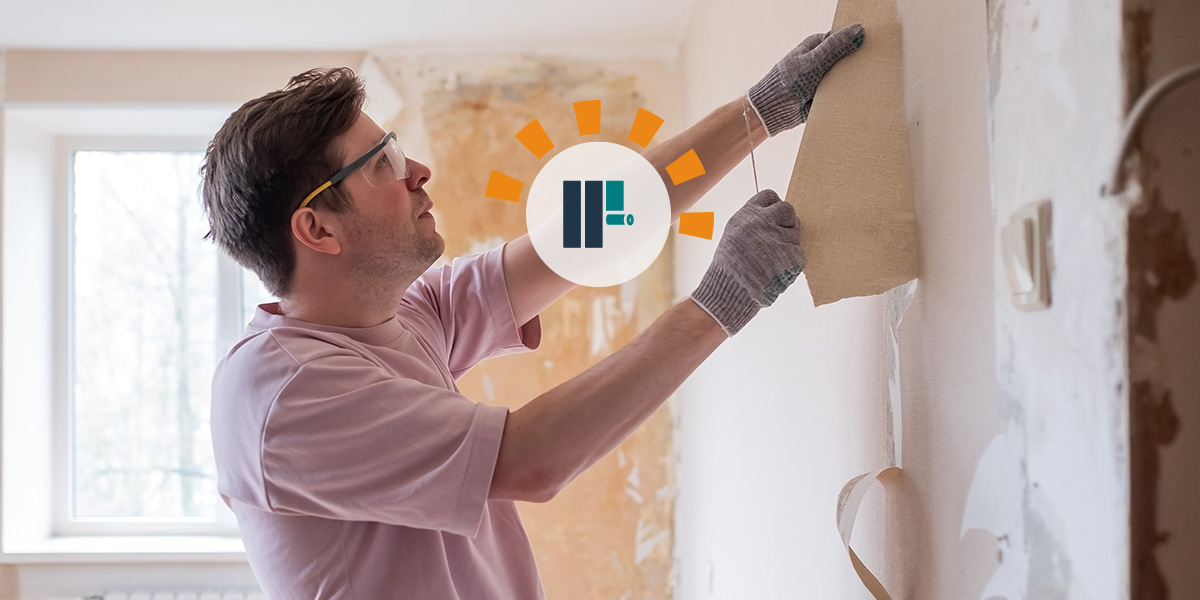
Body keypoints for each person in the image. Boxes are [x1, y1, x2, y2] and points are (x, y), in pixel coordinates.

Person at [202, 24, 863, 600]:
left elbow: (595, 228)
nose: (419, 171)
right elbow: (530, 459)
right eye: (385, 163)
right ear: (317, 230)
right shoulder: (279, 394)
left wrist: (758, 113)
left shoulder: (406, 314)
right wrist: (722, 302)